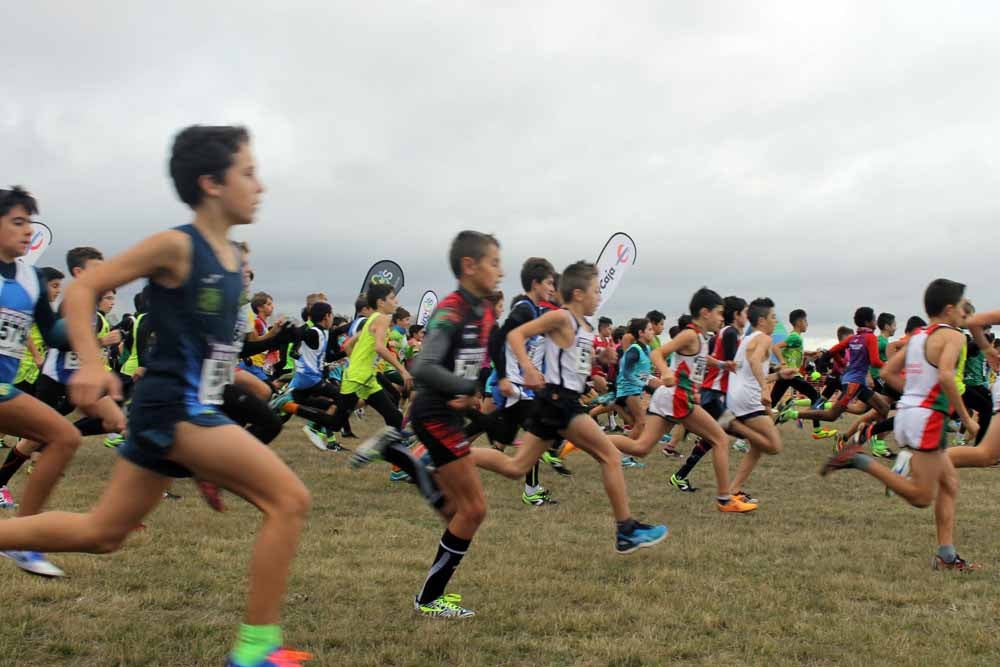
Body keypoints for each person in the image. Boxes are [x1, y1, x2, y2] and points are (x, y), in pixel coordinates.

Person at [0, 127, 314, 666]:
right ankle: (255, 650)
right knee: (290, 500)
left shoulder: (231, 263)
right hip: (171, 411)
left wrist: (209, 464)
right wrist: (93, 361)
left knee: (102, 534)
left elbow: (211, 363)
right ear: (210, 183)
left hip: (184, 416)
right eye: (248, 172)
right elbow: (81, 289)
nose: (260, 185)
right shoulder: (177, 245)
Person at [472, 260, 668, 565]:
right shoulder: (562, 317)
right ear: (578, 293)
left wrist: (599, 357)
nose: (599, 296)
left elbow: (573, 359)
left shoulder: (584, 326)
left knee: (515, 467)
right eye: (595, 290)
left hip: (558, 401)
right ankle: (626, 529)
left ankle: (451, 452)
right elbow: (514, 336)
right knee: (611, 456)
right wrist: (526, 368)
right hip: (559, 402)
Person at [822, 278, 978, 571]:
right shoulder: (954, 336)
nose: (963, 311)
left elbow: (889, 371)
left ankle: (946, 556)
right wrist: (967, 420)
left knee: (950, 483)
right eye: (961, 305)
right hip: (928, 418)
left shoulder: (918, 335)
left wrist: (916, 395)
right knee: (921, 497)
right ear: (948, 309)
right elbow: (946, 376)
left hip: (909, 413)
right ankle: (859, 460)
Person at [610, 288, 758, 512]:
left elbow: (699, 359)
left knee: (640, 447)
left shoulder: (701, 336)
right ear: (705, 312)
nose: (721, 318)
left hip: (670, 397)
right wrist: (665, 372)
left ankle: (585, 441)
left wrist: (720, 365)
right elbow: (657, 354)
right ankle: (725, 499)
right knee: (720, 440)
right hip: (677, 396)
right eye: (719, 313)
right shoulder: (689, 334)